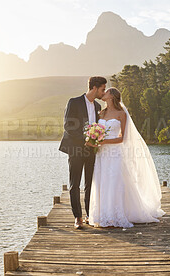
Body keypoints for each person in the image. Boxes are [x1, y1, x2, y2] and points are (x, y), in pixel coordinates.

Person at [87, 87, 165, 228]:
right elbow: (97, 130)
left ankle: (117, 214)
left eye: (106, 91)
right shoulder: (102, 113)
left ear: (112, 96)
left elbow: (122, 138)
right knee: (102, 181)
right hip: (102, 153)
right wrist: (95, 140)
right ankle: (104, 214)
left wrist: (105, 141)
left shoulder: (121, 114)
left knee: (115, 182)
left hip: (115, 152)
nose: (103, 93)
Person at [59, 76, 106, 229]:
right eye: (102, 89)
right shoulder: (74, 102)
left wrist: (96, 141)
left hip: (91, 150)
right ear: (94, 88)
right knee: (75, 184)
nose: (103, 92)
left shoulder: (98, 107)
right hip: (75, 148)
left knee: (90, 184)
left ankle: (88, 215)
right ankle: (77, 217)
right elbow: (68, 125)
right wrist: (84, 139)